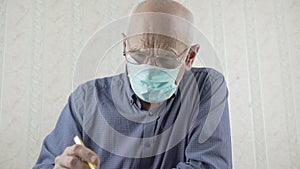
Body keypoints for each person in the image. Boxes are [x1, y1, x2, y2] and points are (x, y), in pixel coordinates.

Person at [33, 0, 232, 168]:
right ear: (125, 45)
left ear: (190, 57)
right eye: (139, 55)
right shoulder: (86, 100)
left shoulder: (207, 87)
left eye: (165, 59)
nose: (149, 70)